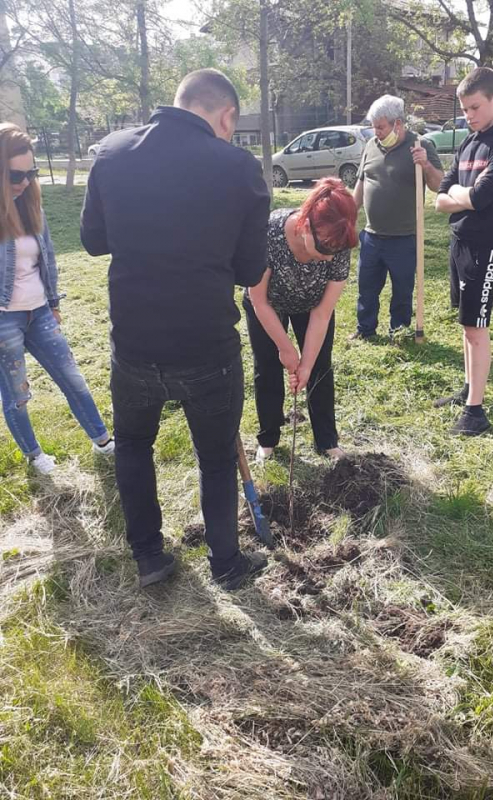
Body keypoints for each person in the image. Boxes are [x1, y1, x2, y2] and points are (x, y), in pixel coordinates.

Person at [80, 69, 271, 590]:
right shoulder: (238, 167)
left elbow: (93, 240)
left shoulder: (113, 153)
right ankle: (227, 564)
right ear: (226, 115)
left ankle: (149, 556)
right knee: (214, 459)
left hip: (135, 340)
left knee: (134, 446)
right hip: (206, 342)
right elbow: (252, 271)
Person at [0, 124, 113, 475]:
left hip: (39, 312)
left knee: (72, 377)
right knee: (17, 394)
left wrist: (53, 303)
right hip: (5, 320)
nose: (25, 182)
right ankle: (34, 455)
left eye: (31, 173)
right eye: (16, 175)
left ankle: (103, 441)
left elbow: (46, 256)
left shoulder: (30, 204)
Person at [435, 67, 493, 435]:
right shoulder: (469, 141)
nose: (469, 116)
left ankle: (475, 413)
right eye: (465, 110)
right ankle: (468, 387)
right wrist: (463, 198)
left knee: (477, 325)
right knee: (466, 322)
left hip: (487, 245)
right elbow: (442, 195)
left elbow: (480, 196)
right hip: (460, 240)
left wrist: (463, 196)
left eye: (475, 107)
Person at [244, 178, 358, 462]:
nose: (329, 260)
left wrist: (304, 364)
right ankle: (268, 439)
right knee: (268, 366)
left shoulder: (338, 243)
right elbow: (259, 300)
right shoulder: (269, 233)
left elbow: (322, 313)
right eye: (322, 253)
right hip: (268, 305)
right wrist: (286, 348)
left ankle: (327, 441)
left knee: (320, 367)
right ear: (306, 227)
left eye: (334, 255)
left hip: (311, 305)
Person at [350, 95, 443, 343]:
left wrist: (425, 165)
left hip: (404, 238)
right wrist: (347, 216)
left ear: (398, 124)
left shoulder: (421, 146)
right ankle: (365, 328)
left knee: (402, 291)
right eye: (374, 127)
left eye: (381, 127)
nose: (376, 132)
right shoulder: (370, 147)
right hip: (371, 236)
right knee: (366, 288)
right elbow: (361, 185)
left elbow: (438, 185)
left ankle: (398, 331)